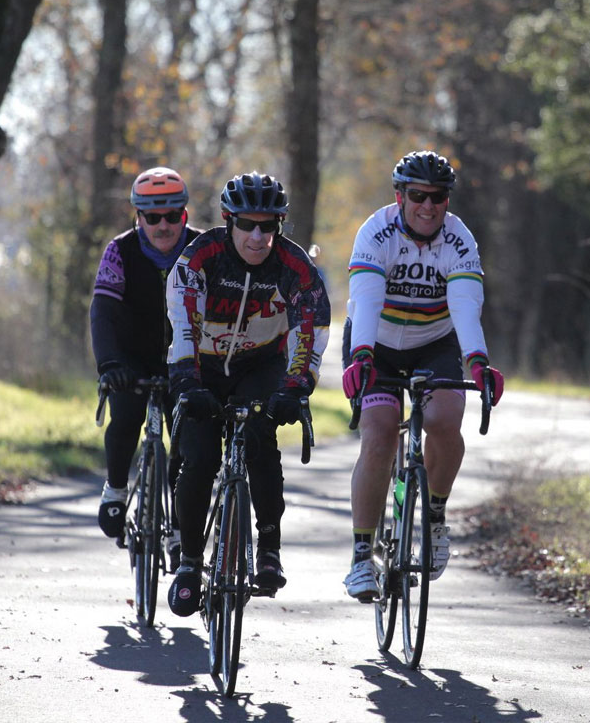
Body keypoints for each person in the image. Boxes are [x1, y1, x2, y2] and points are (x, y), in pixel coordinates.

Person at [341, 150, 505, 602]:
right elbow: (367, 302)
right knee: (379, 434)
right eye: (418, 196)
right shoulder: (377, 233)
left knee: (444, 420)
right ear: (400, 196)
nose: (428, 206)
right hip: (376, 344)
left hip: (436, 342)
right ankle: (361, 555)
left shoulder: (459, 240)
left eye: (438, 197)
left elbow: (466, 307)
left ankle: (434, 515)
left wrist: (478, 362)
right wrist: (362, 358)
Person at [165, 171, 331, 616]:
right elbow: (182, 327)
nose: (258, 236)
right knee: (198, 456)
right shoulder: (199, 259)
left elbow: (309, 333)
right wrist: (185, 381)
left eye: (269, 226)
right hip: (202, 366)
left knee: (260, 436)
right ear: (227, 221)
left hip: (261, 364)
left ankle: (269, 547)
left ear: (279, 226)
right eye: (247, 225)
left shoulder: (295, 268)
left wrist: (297, 388)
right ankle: (189, 562)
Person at [92, 166, 200, 569]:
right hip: (131, 358)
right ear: (138, 216)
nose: (163, 225)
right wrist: (109, 363)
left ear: (185, 214)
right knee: (126, 417)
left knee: (188, 446)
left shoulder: (202, 248)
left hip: (187, 361)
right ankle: (116, 490)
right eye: (152, 217)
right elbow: (102, 312)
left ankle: (178, 527)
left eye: (172, 215)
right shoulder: (119, 251)